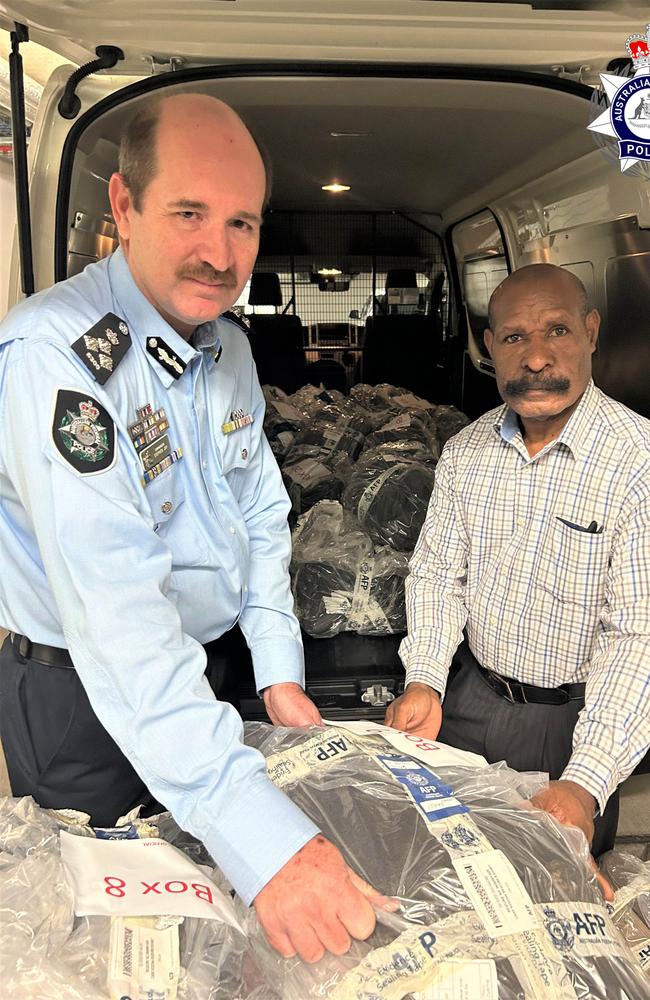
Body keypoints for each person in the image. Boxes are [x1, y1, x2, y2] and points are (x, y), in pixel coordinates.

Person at [0, 92, 392, 964]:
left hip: (207, 676)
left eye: (243, 223)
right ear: (125, 206)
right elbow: (121, 622)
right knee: (109, 947)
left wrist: (280, 668)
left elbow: (258, 511)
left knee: (210, 939)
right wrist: (273, 844)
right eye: (189, 213)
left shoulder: (226, 344)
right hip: (86, 702)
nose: (220, 255)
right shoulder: (57, 360)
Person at [386, 263, 649, 870]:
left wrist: (586, 780)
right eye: (514, 338)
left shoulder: (637, 463)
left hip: (573, 726)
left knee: (551, 890)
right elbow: (435, 574)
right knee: (443, 868)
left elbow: (639, 639)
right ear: (488, 347)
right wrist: (426, 678)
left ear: (591, 332)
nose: (535, 359)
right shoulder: (466, 450)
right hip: (466, 698)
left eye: (556, 331)